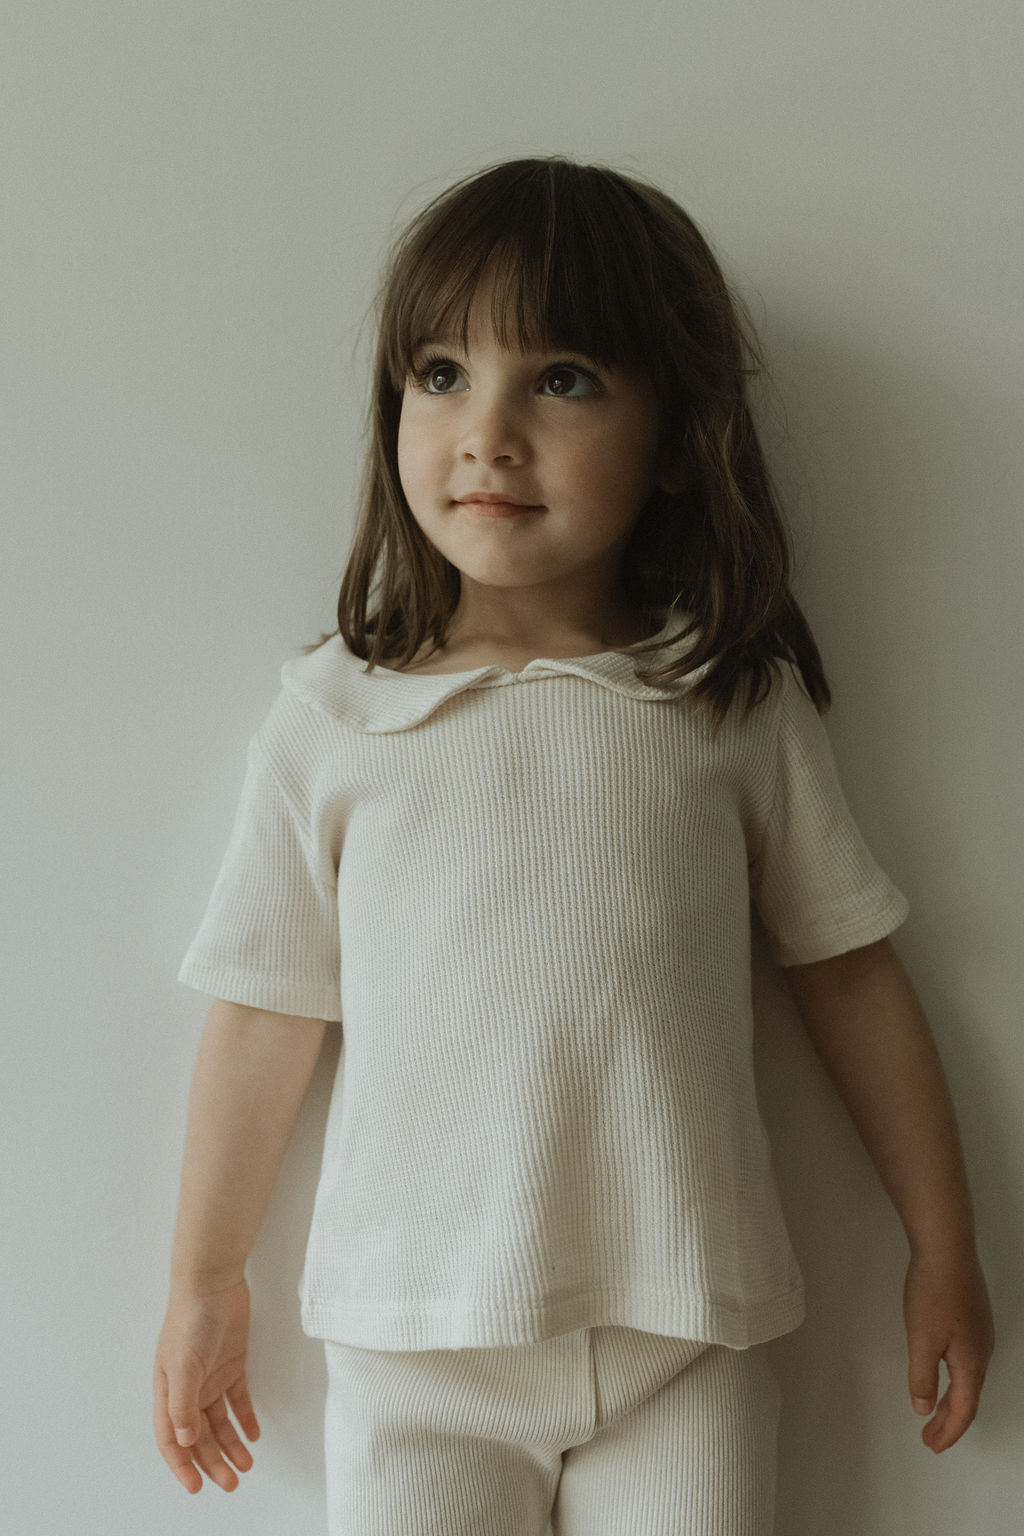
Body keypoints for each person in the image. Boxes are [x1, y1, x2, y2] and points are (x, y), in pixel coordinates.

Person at [153, 155, 995, 1534]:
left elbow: (849, 972)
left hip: (685, 1336)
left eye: (561, 379)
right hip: (416, 1346)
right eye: (441, 372)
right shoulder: (335, 718)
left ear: (674, 438)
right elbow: (262, 1010)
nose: (487, 431)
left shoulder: (726, 699)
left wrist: (943, 1243)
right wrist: (202, 1281)